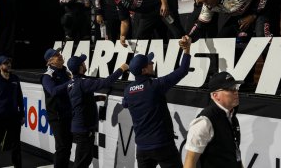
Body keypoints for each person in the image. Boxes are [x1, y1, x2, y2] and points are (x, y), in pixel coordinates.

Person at [122, 36, 192, 168]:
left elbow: (125, 104)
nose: (152, 63)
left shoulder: (127, 90)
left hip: (142, 148)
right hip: (163, 146)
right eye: (149, 63)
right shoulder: (155, 85)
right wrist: (187, 49)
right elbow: (183, 70)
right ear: (144, 70)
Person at [66, 54, 128, 168]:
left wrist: (95, 98)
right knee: (81, 162)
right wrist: (121, 69)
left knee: (85, 160)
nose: (85, 64)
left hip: (80, 128)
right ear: (80, 67)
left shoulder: (71, 83)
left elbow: (78, 101)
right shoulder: (83, 83)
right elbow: (106, 83)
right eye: (83, 63)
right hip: (84, 129)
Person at [184, 71, 242, 168]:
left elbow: (235, 154)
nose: (235, 92)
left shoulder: (232, 116)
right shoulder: (204, 121)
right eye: (230, 89)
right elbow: (190, 160)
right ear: (215, 95)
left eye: (235, 88)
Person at [99, 0, 173, 46]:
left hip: (160, 6)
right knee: (140, 38)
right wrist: (122, 36)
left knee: (175, 32)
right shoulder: (117, 0)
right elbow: (124, 21)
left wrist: (164, 3)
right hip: (148, 14)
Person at [187, 0, 267, 42]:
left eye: (205, 1)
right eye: (202, 2)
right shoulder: (208, 4)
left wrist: (253, 15)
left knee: (261, 35)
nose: (204, 4)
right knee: (222, 40)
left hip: (259, 9)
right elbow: (201, 25)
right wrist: (189, 38)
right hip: (239, 16)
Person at [41, 48, 73, 168]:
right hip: (57, 117)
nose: (60, 56)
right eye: (56, 55)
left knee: (68, 146)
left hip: (68, 115)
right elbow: (53, 91)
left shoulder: (66, 73)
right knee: (62, 147)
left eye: (59, 54)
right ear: (50, 61)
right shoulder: (47, 76)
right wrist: (70, 83)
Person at [0, 56, 24, 168]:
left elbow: (20, 97)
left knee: (16, 145)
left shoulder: (15, 78)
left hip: (14, 117)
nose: (9, 65)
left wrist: (22, 115)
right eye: (6, 63)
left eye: (9, 62)